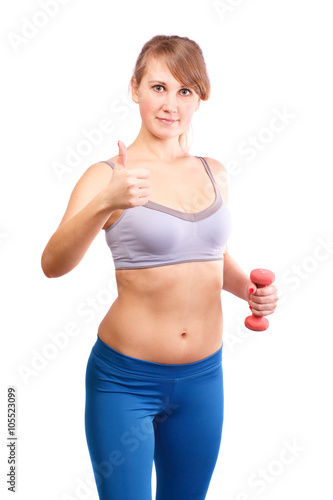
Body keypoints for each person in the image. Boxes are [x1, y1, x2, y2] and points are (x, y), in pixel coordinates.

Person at [41, 34, 278, 500]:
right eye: (158, 87)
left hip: (203, 381)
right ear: (135, 90)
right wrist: (103, 204)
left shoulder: (215, 171)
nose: (171, 104)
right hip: (124, 382)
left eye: (185, 91)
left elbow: (211, 259)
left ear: (200, 98)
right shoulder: (108, 175)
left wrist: (249, 289)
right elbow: (52, 264)